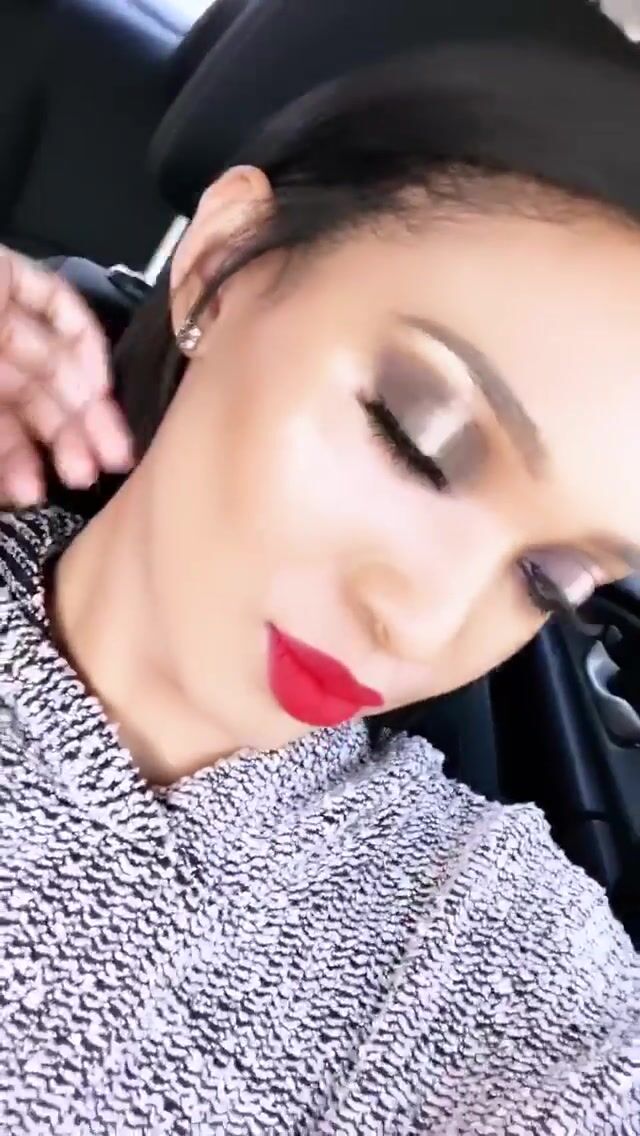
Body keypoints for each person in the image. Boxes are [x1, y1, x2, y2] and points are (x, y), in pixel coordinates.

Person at [0, 41, 639, 1135]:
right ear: (221, 267)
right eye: (417, 440)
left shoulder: (491, 962)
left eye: (548, 579)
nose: (422, 623)